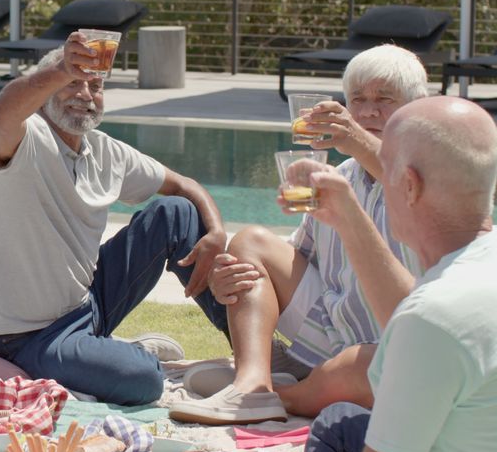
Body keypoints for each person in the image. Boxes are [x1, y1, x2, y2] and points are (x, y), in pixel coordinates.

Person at [195, 96, 497, 452]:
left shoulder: (431, 322)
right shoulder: (470, 279)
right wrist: (348, 215)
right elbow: (412, 320)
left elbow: (422, 326)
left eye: (382, 171)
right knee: (337, 422)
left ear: (409, 186)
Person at [169, 45, 427, 425]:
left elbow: (397, 174)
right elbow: (297, 257)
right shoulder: (338, 177)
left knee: (366, 368)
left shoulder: (427, 175)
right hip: (333, 330)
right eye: (359, 100)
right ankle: (252, 383)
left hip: (399, 347)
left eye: (384, 100)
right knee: (250, 241)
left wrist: (353, 138)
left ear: (413, 109)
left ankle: (283, 393)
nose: (369, 111)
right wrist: (233, 277)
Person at [0, 33, 230, 406]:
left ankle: (253, 353)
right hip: (30, 337)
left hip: (88, 303)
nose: (85, 94)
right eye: (72, 82)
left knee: (177, 213)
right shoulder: (26, 139)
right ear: (47, 90)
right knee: (145, 379)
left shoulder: (106, 151)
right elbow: (2, 113)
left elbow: (184, 185)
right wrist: (59, 68)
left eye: (95, 85)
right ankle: (116, 354)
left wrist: (217, 233)